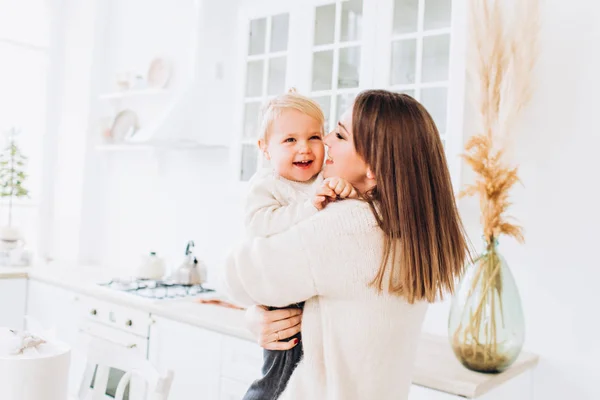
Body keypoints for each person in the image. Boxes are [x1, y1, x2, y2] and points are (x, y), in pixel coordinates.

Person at [223, 90, 471, 400]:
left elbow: (237, 275)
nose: (324, 140)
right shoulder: (412, 227)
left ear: (373, 167)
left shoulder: (347, 226)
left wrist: (253, 315)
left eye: (339, 135)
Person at [242, 90, 357, 400]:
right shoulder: (267, 185)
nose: (304, 148)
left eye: (314, 137)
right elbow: (259, 226)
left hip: (316, 295)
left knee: (311, 379)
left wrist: (341, 188)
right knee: (279, 377)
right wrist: (310, 207)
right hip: (283, 299)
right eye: (290, 140)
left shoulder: (323, 177)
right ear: (265, 149)